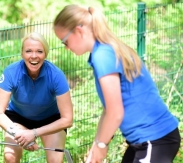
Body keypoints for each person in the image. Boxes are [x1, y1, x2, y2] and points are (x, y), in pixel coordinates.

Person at [53, 4, 181, 163]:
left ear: (79, 31)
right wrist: (96, 145)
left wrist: (102, 145)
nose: (66, 48)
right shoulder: (102, 52)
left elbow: (116, 112)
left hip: (155, 139)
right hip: (143, 141)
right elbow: (108, 109)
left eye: (65, 42)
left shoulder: (103, 56)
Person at [0, 32, 73, 163]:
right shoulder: (11, 72)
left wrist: (33, 133)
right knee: (10, 156)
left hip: (50, 120)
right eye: (28, 51)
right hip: (18, 120)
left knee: (55, 160)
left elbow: (67, 120)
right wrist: (20, 135)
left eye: (39, 51)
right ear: (22, 53)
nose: (34, 56)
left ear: (45, 54)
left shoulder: (56, 75)